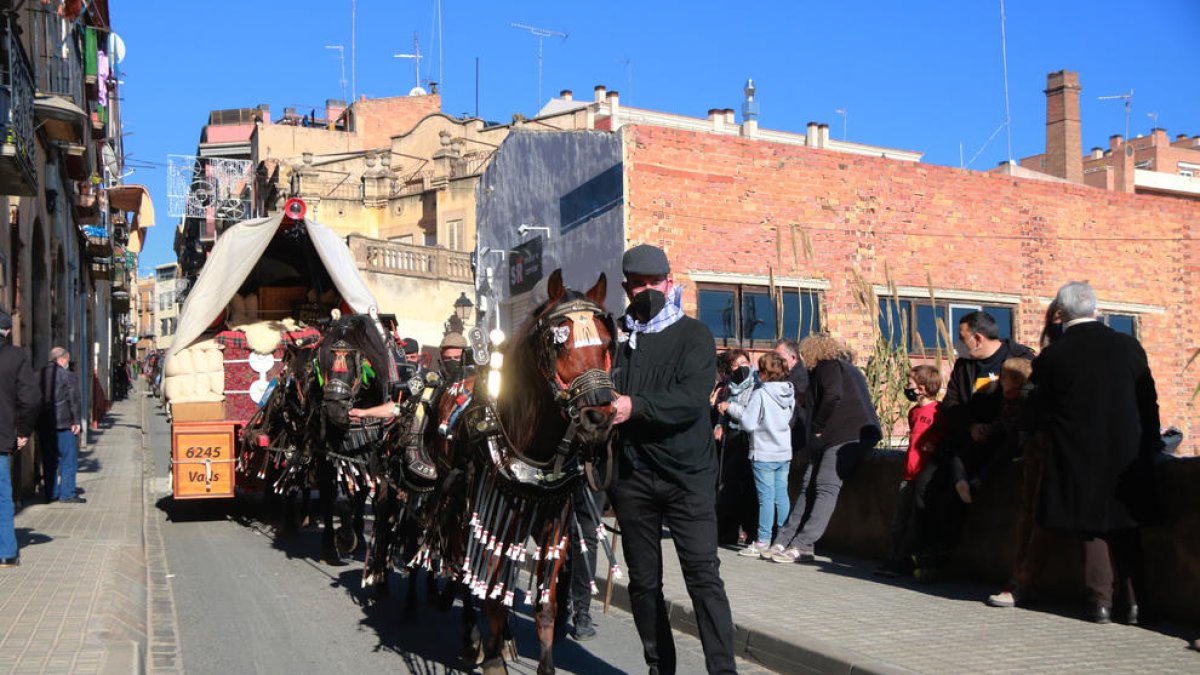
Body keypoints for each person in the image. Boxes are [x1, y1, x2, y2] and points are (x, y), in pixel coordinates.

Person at [609, 243, 736, 674]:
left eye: (654, 282)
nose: (648, 291)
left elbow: (689, 399)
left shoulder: (694, 336)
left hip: (688, 478)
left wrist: (633, 406)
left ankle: (723, 670)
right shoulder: (622, 342)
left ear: (669, 280)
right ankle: (659, 667)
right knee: (644, 584)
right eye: (638, 285)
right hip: (634, 478)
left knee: (703, 578)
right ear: (627, 288)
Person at [1031, 282, 1162, 624]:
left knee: (1093, 530)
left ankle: (1101, 603)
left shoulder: (1053, 355)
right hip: (1127, 453)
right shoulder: (1128, 346)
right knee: (1127, 527)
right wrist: (1151, 444)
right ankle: (1137, 605)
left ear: (1060, 315)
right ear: (1096, 311)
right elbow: (1148, 402)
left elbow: (1035, 410)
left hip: (1077, 456)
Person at [913, 311, 1035, 574]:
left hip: (1001, 441)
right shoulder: (963, 365)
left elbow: (1028, 404)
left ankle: (941, 556)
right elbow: (951, 405)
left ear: (978, 338)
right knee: (925, 484)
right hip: (964, 438)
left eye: (962, 337)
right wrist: (970, 426)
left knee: (956, 494)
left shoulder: (1019, 359)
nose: (959, 343)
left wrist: (993, 429)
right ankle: (916, 551)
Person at [767, 334, 881, 564]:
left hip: (846, 436)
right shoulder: (840, 369)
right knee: (809, 484)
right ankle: (787, 539)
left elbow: (832, 396)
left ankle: (802, 543)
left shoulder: (828, 366)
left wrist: (817, 427)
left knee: (826, 486)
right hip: (837, 437)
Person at [722, 352, 794, 558]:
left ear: (764, 373)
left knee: (766, 498)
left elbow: (748, 422)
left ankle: (763, 540)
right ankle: (782, 537)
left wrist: (732, 408)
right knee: (782, 495)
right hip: (783, 450)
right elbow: (790, 417)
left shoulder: (761, 394)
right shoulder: (789, 392)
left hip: (763, 451)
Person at [877, 364, 943, 577]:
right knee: (899, 520)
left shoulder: (938, 412)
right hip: (908, 472)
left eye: (910, 384)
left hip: (924, 474)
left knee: (916, 521)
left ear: (922, 388)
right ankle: (894, 557)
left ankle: (906, 561)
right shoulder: (914, 412)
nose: (907, 388)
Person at [0, 310, 41, 567]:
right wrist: (23, 432)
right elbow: (31, 399)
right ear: (6, 331)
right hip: (1, 438)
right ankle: (6, 552)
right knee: (3, 498)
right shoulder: (15, 357)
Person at [712, 348, 758, 547]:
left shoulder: (756, 385)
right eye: (736, 365)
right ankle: (727, 531)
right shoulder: (730, 386)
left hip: (749, 439)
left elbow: (750, 413)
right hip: (732, 438)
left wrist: (729, 409)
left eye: (743, 363)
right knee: (728, 488)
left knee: (749, 490)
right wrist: (720, 423)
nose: (740, 368)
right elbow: (724, 406)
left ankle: (752, 531)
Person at [38, 347, 84, 504]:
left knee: (49, 461)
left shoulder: (38, 375)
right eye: (68, 360)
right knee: (68, 460)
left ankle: (51, 493)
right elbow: (74, 400)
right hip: (64, 424)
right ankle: (67, 493)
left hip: (44, 426)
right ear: (62, 359)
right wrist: (76, 421)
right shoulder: (67, 376)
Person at [773, 339, 809, 502]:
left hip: (795, 438)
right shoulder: (789, 376)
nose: (776, 361)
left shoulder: (799, 377)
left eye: (779, 356)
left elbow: (795, 409)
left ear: (793, 357)